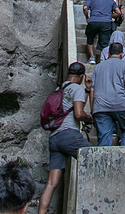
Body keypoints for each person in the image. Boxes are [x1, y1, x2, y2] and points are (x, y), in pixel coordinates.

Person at [38, 62, 92, 214]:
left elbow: (73, 107)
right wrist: (89, 119)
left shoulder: (60, 89)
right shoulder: (77, 88)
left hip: (54, 137)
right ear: (81, 77)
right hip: (69, 135)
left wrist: (87, 91)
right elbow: (79, 113)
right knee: (95, 157)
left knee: (51, 182)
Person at [90, 42, 125, 146]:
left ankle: (104, 160)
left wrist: (92, 110)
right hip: (120, 105)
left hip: (101, 107)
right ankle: (123, 154)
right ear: (121, 54)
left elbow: (92, 90)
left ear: (108, 53)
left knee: (104, 136)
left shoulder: (98, 67)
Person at [83, 0, 121, 64]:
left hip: (93, 21)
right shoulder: (110, 0)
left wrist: (87, 17)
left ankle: (91, 58)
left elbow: (85, 8)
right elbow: (118, 12)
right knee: (104, 42)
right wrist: (109, 16)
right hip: (106, 23)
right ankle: (102, 59)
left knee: (90, 39)